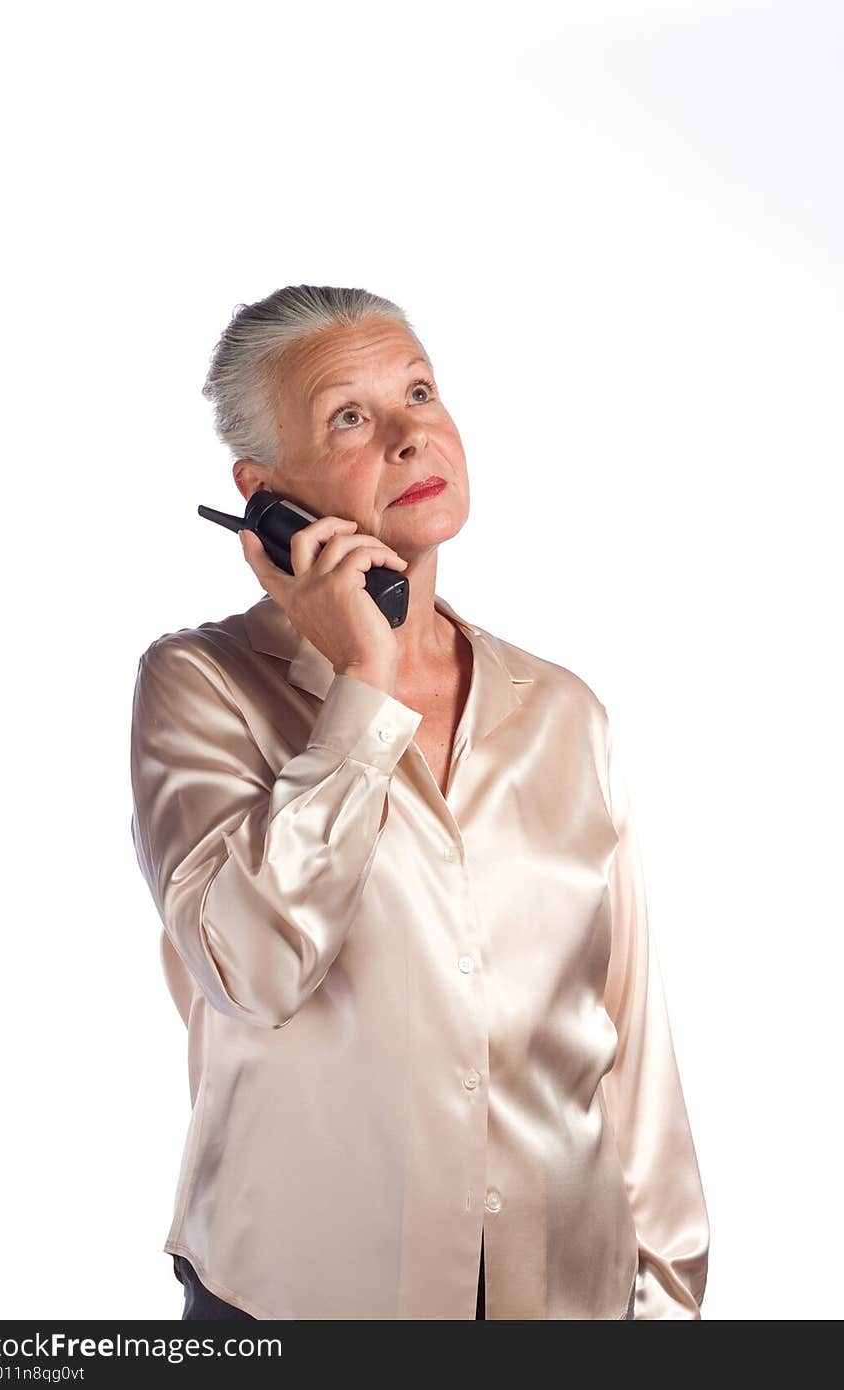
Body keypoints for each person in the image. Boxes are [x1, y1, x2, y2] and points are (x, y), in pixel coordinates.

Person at [129, 284, 709, 1320]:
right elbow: (251, 968)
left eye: (420, 392)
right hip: (298, 1301)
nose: (409, 435)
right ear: (265, 494)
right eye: (349, 416)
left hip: (566, 1299)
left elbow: (627, 1030)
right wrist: (362, 678)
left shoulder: (563, 711)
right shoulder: (198, 686)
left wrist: (667, 1291)